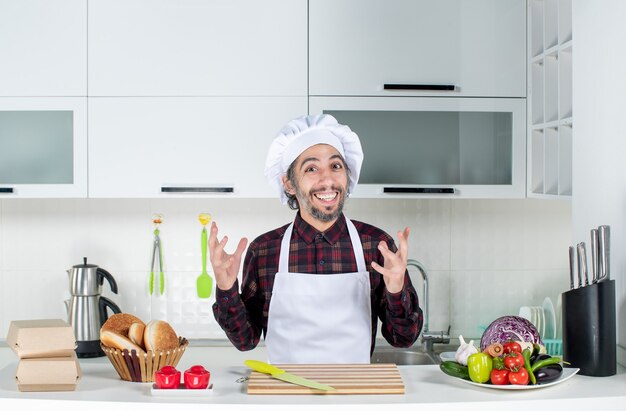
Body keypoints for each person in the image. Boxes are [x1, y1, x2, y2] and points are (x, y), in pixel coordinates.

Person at [210, 114, 423, 364]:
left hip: (354, 396)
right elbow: (246, 341)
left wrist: (397, 291)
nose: (328, 180)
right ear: (289, 183)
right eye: (312, 168)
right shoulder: (265, 250)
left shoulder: (376, 246)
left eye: (336, 166)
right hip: (287, 397)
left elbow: (403, 338)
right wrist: (226, 289)